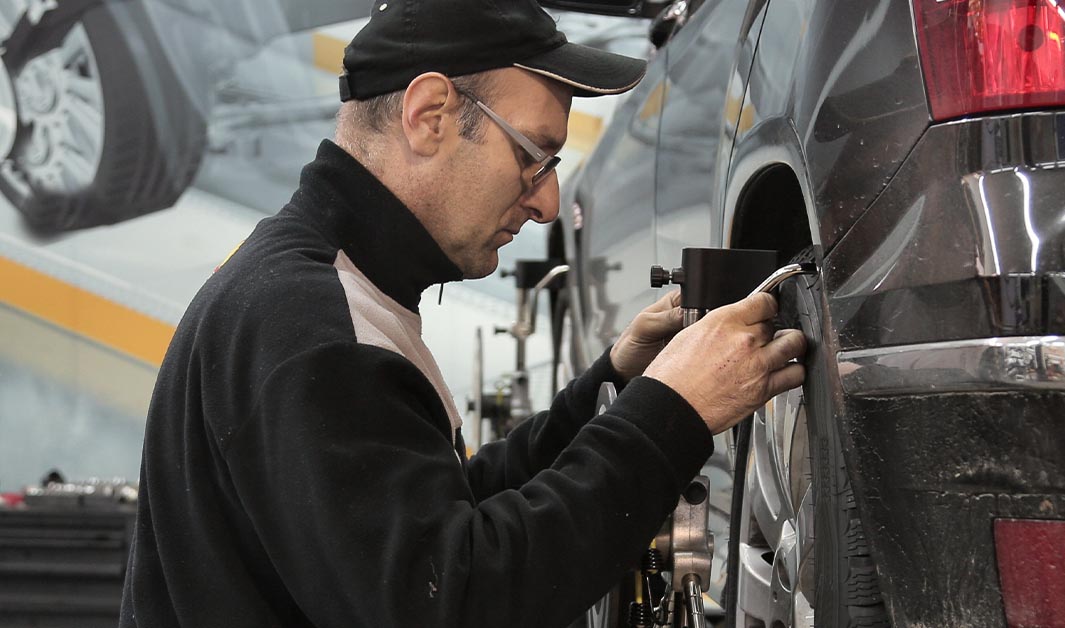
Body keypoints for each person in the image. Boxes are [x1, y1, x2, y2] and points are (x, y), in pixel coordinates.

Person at [118, 0, 807, 626]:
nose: (545, 202)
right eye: (535, 155)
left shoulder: (331, 288)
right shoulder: (308, 326)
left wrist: (617, 384)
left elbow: (441, 511)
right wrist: (671, 416)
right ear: (431, 116)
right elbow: (453, 597)